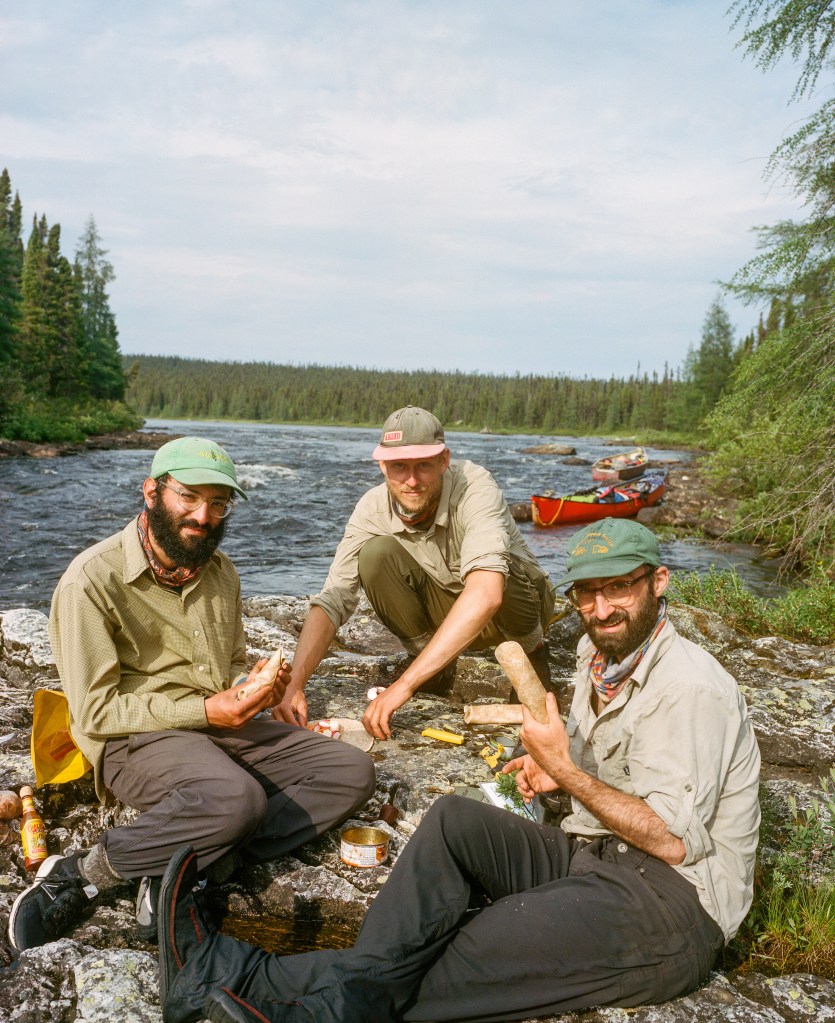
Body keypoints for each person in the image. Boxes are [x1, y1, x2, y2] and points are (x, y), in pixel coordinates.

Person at [155, 516, 761, 1023]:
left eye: (620, 588)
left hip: (671, 905)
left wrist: (566, 770)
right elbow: (608, 762)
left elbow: (673, 840)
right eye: (587, 591)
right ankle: (228, 978)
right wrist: (559, 767)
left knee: (451, 952)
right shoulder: (599, 653)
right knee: (452, 821)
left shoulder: (690, 688)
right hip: (596, 852)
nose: (601, 609)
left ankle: (254, 989)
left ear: (658, 581)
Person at [8, 436, 376, 954]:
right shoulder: (91, 580)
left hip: (217, 728)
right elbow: (95, 712)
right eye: (189, 497)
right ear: (151, 492)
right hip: (135, 737)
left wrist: (253, 689)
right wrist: (206, 710)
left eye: (218, 503)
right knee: (238, 799)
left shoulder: (221, 573)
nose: (203, 516)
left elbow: (228, 668)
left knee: (351, 771)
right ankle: (81, 874)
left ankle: (185, 862)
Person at [273, 405, 556, 740]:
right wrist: (293, 685)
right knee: (375, 555)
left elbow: (487, 593)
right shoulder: (372, 508)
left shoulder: (475, 486)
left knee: (498, 568)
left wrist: (405, 684)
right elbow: (333, 600)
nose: (411, 480)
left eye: (423, 465)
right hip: (452, 605)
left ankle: (533, 659)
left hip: (518, 608)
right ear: (382, 466)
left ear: (444, 460)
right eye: (399, 466)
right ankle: (434, 667)